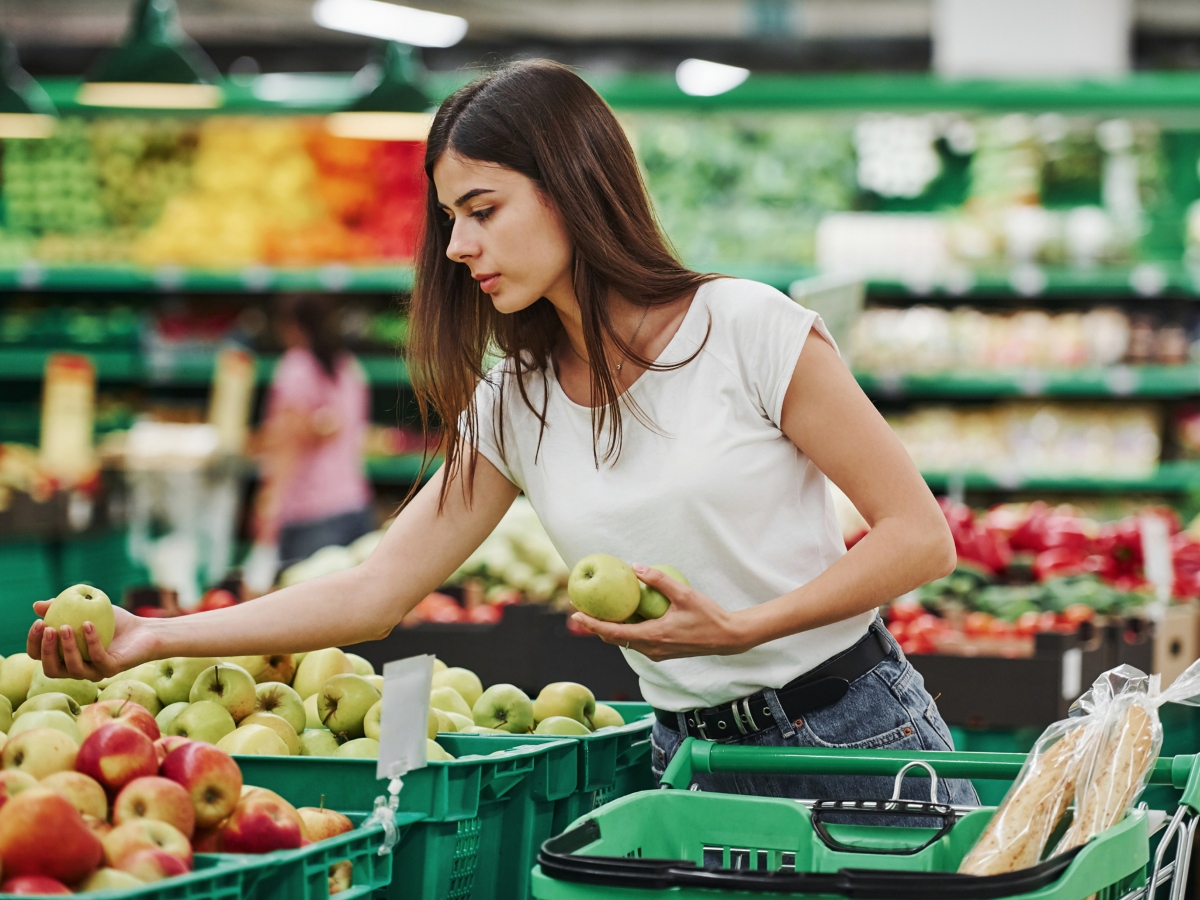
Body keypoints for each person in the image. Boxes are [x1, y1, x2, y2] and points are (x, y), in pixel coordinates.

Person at [29, 60, 976, 808]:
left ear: (571, 186)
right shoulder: (513, 402)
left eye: (482, 211)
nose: (456, 248)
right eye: (449, 219)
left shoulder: (747, 329)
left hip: (851, 736)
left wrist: (740, 629)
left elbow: (916, 535)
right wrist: (154, 638)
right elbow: (371, 592)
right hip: (684, 761)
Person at [253, 294, 375, 570]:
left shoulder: (296, 368)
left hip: (310, 514)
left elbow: (289, 444)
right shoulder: (349, 369)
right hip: (354, 504)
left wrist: (269, 506)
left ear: (292, 326)